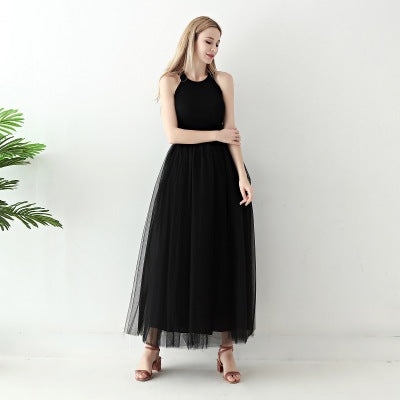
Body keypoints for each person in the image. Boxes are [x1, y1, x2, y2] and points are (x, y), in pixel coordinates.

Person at [123, 16, 256, 384]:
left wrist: (242, 176)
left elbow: (232, 133)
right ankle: (151, 347)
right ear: (193, 40)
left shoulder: (224, 80)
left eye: (218, 43)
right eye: (208, 41)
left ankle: (226, 349)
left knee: (222, 255)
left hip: (221, 175)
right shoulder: (170, 81)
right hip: (182, 176)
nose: (213, 49)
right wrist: (216, 134)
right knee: (169, 255)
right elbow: (173, 135)